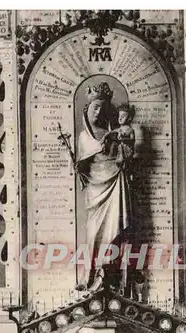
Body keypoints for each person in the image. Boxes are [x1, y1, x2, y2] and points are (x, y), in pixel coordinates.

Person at [75, 82, 132, 290]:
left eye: (102, 108)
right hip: (96, 188)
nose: (98, 111)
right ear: (87, 110)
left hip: (116, 181)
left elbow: (123, 155)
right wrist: (79, 166)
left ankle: (112, 277)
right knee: (94, 232)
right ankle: (90, 276)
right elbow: (83, 164)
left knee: (117, 231)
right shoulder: (84, 137)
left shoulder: (114, 133)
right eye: (94, 107)